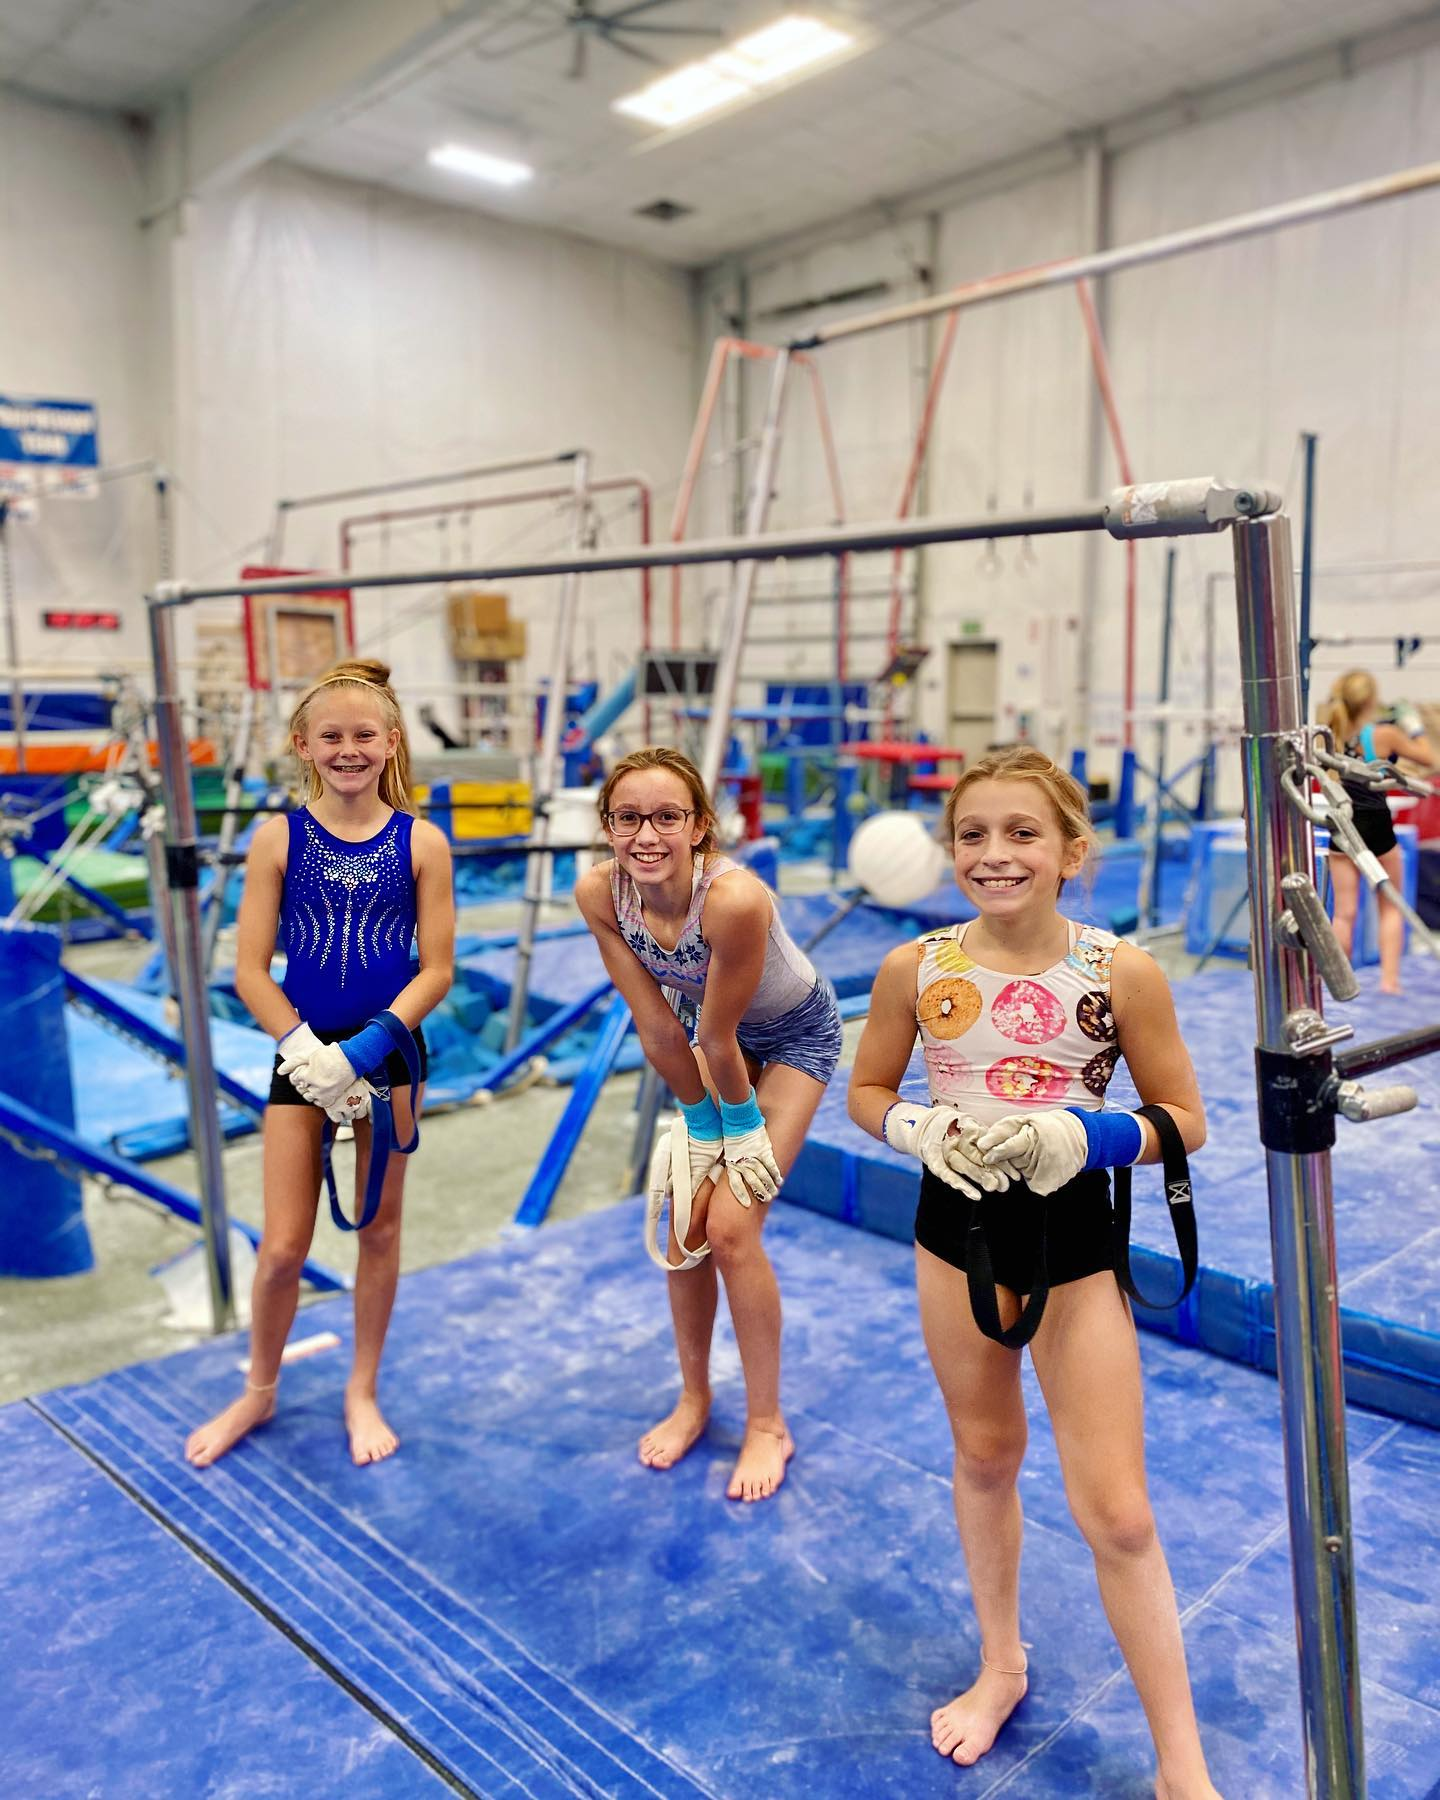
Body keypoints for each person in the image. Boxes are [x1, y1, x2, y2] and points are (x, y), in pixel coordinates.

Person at [848, 747, 1220, 1800]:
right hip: (953, 1226)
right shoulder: (916, 968)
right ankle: (1001, 1661)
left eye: (1022, 834)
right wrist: (914, 1123)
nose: (995, 854)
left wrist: (1088, 1137)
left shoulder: (1119, 971)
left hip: (1069, 1236)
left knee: (1119, 1512)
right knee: (983, 1454)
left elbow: (1185, 1118)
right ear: (947, 848)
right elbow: (868, 1088)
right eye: (972, 835)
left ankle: (1179, 1759)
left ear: (1071, 851)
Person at [186, 659, 454, 1470]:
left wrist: (365, 1052)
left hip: (392, 1055)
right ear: (303, 744)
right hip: (301, 1062)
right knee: (282, 1249)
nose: (348, 749)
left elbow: (436, 969)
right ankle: (259, 1390)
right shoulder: (278, 838)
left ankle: (360, 1388)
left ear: (391, 742)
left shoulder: (422, 840)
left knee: (379, 1231)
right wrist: (307, 1054)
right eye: (331, 736)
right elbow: (247, 970)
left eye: (364, 735)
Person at [575, 746, 842, 1503]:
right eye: (628, 818)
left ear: (700, 828)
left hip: (790, 1037)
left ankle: (767, 1423)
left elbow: (722, 1039)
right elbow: (658, 1027)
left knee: (732, 1227)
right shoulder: (602, 895)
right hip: (699, 1039)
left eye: (667, 817)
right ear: (607, 826)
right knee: (684, 1221)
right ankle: (695, 1399)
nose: (646, 835)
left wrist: (739, 1128)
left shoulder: (735, 901)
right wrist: (698, 1123)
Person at [1321, 670, 1436, 995]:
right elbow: (1428, 758)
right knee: (1390, 905)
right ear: (1372, 701)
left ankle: (1337, 983)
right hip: (1377, 826)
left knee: (1343, 913)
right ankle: (1389, 981)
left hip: (1344, 824)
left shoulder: (1330, 732)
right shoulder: (1383, 734)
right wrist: (1413, 727)